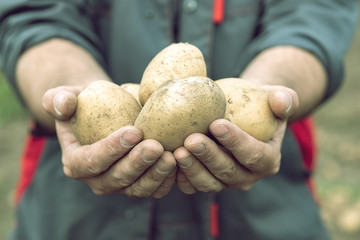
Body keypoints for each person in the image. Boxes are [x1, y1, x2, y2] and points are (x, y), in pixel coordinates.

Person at [0, 0, 358, 239]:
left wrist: (274, 90)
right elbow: (34, 15)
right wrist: (71, 91)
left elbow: (315, 14)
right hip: (77, 220)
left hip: (264, 218)